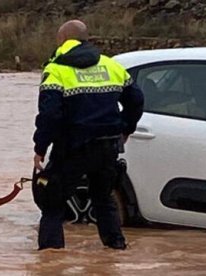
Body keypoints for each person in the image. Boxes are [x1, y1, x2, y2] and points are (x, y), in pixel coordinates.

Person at [32, 19, 144, 250]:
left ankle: (51, 263)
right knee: (104, 199)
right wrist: (125, 128)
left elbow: (49, 115)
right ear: (85, 40)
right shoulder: (111, 65)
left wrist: (40, 148)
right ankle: (116, 250)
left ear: (62, 40)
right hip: (108, 146)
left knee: (52, 204)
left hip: (73, 147)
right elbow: (137, 99)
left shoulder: (56, 69)